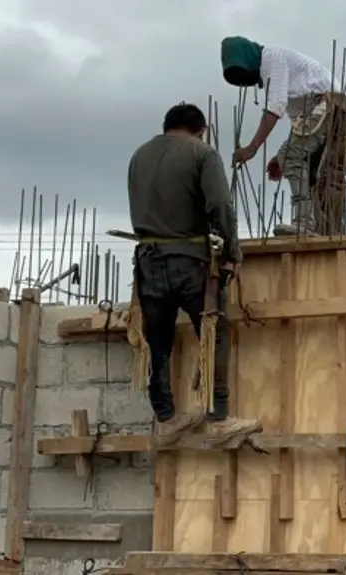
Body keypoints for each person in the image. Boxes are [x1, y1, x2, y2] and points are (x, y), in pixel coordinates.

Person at [126, 102, 260, 446]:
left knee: (158, 342)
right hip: (189, 261)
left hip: (147, 261)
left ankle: (166, 417)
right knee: (213, 331)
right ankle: (218, 417)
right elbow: (220, 205)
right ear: (200, 130)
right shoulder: (201, 153)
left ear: (166, 126)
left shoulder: (139, 155)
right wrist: (232, 252)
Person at [221, 36, 341, 237]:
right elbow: (298, 119)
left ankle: (304, 222)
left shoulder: (272, 57)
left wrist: (252, 148)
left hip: (327, 106)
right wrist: (282, 155)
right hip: (320, 111)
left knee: (294, 158)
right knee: (291, 157)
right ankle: (312, 223)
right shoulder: (274, 66)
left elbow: (276, 107)